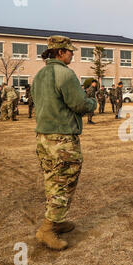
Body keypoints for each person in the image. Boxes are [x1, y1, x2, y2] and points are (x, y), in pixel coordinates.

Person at [32, 35, 97, 251]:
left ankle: (57, 221)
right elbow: (79, 104)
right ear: (60, 52)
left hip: (43, 137)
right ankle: (47, 228)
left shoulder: (39, 75)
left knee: (52, 179)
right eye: (70, 51)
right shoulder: (65, 74)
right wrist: (92, 102)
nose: (72, 54)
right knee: (64, 182)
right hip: (62, 140)